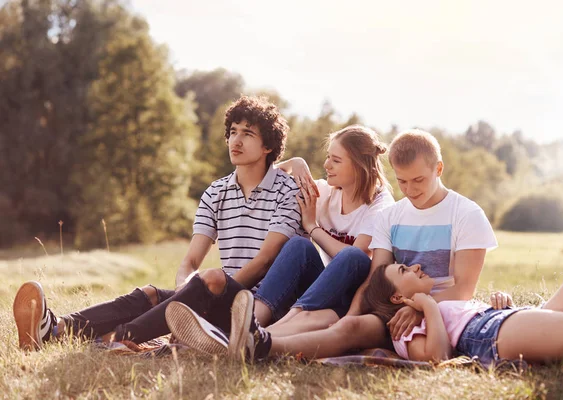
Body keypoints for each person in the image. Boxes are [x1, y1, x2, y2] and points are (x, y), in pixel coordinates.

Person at [162, 128, 499, 361]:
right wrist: (355, 310)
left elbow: (463, 289)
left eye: (419, 181)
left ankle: (257, 343)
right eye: (403, 182)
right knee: (331, 294)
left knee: (350, 317)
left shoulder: (465, 214)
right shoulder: (393, 215)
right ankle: (251, 336)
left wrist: (420, 305)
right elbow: (376, 276)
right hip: (389, 308)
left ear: (439, 169)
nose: (410, 190)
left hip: (433, 312)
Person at [13, 95, 308, 351]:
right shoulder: (216, 192)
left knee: (214, 278)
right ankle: (57, 329)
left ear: (268, 145)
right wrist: (188, 293)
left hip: (256, 306)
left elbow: (266, 259)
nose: (236, 140)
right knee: (150, 294)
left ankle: (123, 337)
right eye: (232, 132)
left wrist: (203, 292)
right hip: (214, 295)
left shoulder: (287, 190)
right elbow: (190, 260)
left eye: (248, 133)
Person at [255, 125, 395, 335]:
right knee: (298, 246)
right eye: (328, 157)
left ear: (359, 166)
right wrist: (296, 163)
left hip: (355, 297)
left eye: (336, 160)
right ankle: (252, 319)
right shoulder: (325, 192)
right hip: (321, 291)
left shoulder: (381, 205)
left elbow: (355, 255)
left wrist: (312, 227)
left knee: (352, 256)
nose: (326, 164)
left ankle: (279, 327)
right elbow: (267, 179)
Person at [356, 249, 563, 365]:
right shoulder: (404, 328)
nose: (416, 267)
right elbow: (438, 357)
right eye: (404, 270)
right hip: (490, 335)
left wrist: (504, 306)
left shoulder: (434, 304)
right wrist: (428, 306)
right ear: (397, 298)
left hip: (504, 321)